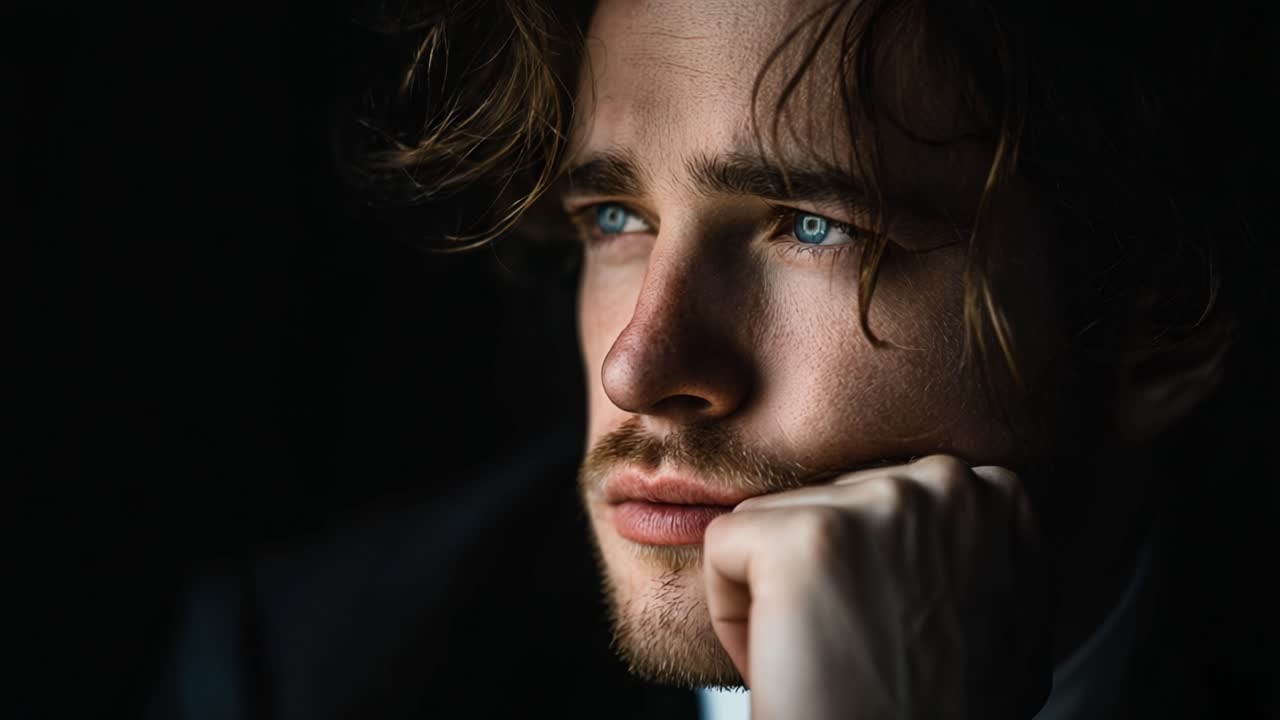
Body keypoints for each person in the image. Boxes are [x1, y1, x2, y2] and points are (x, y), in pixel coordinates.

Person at [152, 1, 1273, 718]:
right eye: (613, 219)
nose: (636, 371)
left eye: (812, 225)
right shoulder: (316, 672)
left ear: (1155, 325)